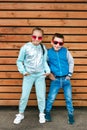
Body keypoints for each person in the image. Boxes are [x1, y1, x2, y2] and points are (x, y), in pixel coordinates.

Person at [13, 27, 50, 124]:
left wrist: (47, 70)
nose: (37, 39)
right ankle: (20, 114)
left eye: (39, 37)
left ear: (42, 38)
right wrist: (23, 71)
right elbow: (19, 61)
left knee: (41, 96)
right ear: (31, 36)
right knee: (24, 96)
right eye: (35, 36)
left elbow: (44, 61)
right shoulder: (25, 47)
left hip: (40, 76)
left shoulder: (43, 48)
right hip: (28, 75)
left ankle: (41, 113)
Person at [45, 33, 75, 124]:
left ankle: (70, 114)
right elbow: (44, 64)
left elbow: (71, 62)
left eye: (60, 43)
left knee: (69, 98)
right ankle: (47, 113)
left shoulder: (65, 51)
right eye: (55, 42)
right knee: (51, 97)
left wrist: (69, 74)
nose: (58, 45)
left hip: (66, 80)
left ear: (63, 44)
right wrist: (49, 74)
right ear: (51, 42)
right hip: (56, 80)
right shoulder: (48, 53)